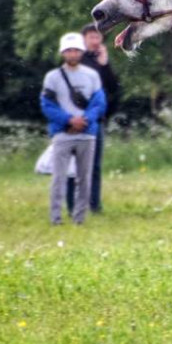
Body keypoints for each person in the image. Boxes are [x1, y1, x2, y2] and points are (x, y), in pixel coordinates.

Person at [40, 32, 106, 225]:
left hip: (87, 134)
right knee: (59, 178)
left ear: (81, 51)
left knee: (84, 179)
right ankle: (56, 218)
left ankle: (79, 218)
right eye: (69, 50)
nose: (73, 54)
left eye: (76, 50)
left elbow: (99, 103)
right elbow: (48, 105)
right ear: (63, 53)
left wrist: (85, 120)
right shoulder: (52, 77)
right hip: (62, 134)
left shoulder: (92, 75)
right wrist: (69, 120)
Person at [78, 23, 120, 213]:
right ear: (84, 39)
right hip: (76, 119)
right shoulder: (76, 60)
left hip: (97, 121)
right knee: (76, 166)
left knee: (94, 165)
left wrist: (105, 64)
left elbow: (112, 88)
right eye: (91, 37)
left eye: (98, 37)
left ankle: (94, 205)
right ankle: (77, 203)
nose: (95, 41)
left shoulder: (102, 61)